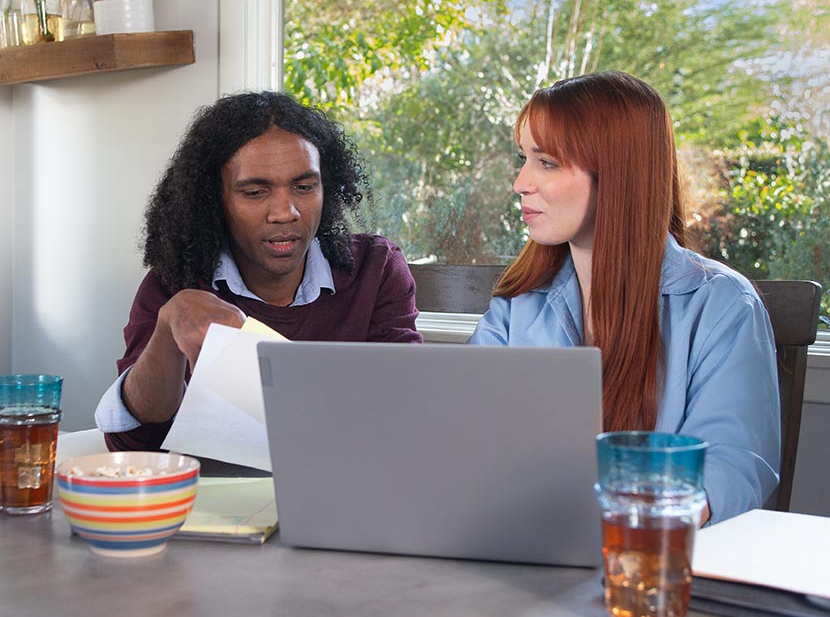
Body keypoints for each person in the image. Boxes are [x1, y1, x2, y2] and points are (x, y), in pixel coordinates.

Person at [470, 71, 780, 525]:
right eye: (524, 159)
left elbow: (730, 469)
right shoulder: (517, 307)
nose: (520, 182)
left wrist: (606, 522)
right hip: (524, 551)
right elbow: (468, 441)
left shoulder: (723, 306)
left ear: (617, 172)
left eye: (547, 162)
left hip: (651, 568)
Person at [96, 91, 422, 451]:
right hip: (214, 501)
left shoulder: (375, 271)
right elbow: (134, 441)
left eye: (304, 187)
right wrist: (168, 328)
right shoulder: (176, 283)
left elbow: (403, 414)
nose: (285, 212)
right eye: (254, 192)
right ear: (214, 199)